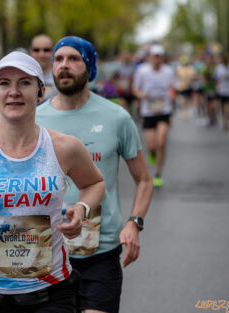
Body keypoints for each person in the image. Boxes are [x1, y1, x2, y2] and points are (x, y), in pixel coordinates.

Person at [0, 51, 105, 313]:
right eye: (4, 83)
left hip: (51, 291)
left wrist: (83, 209)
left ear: (41, 93)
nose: (14, 92)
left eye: (25, 83)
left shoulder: (64, 147)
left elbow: (95, 183)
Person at [36, 36, 153, 313]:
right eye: (59, 59)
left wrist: (134, 223)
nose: (64, 65)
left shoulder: (116, 117)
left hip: (100, 254)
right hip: (47, 251)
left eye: (74, 59)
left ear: (89, 66)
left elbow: (144, 180)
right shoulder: (35, 121)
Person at [133, 44, 176, 187]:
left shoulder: (168, 71)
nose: (157, 59)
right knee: (151, 145)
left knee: (161, 142)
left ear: (163, 58)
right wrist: (142, 95)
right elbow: (135, 89)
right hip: (148, 112)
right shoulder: (142, 71)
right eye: (154, 56)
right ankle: (152, 153)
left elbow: (174, 87)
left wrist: (173, 92)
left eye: (159, 56)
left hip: (164, 111)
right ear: (150, 57)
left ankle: (158, 173)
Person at [29, 34, 57, 102]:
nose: (41, 54)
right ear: (30, 51)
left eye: (46, 50)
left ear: (53, 51)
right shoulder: (22, 76)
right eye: (36, 50)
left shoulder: (61, 78)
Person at [214, 55, 229, 131]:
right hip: (222, 90)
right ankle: (224, 119)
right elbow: (215, 79)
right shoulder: (219, 68)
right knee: (223, 105)